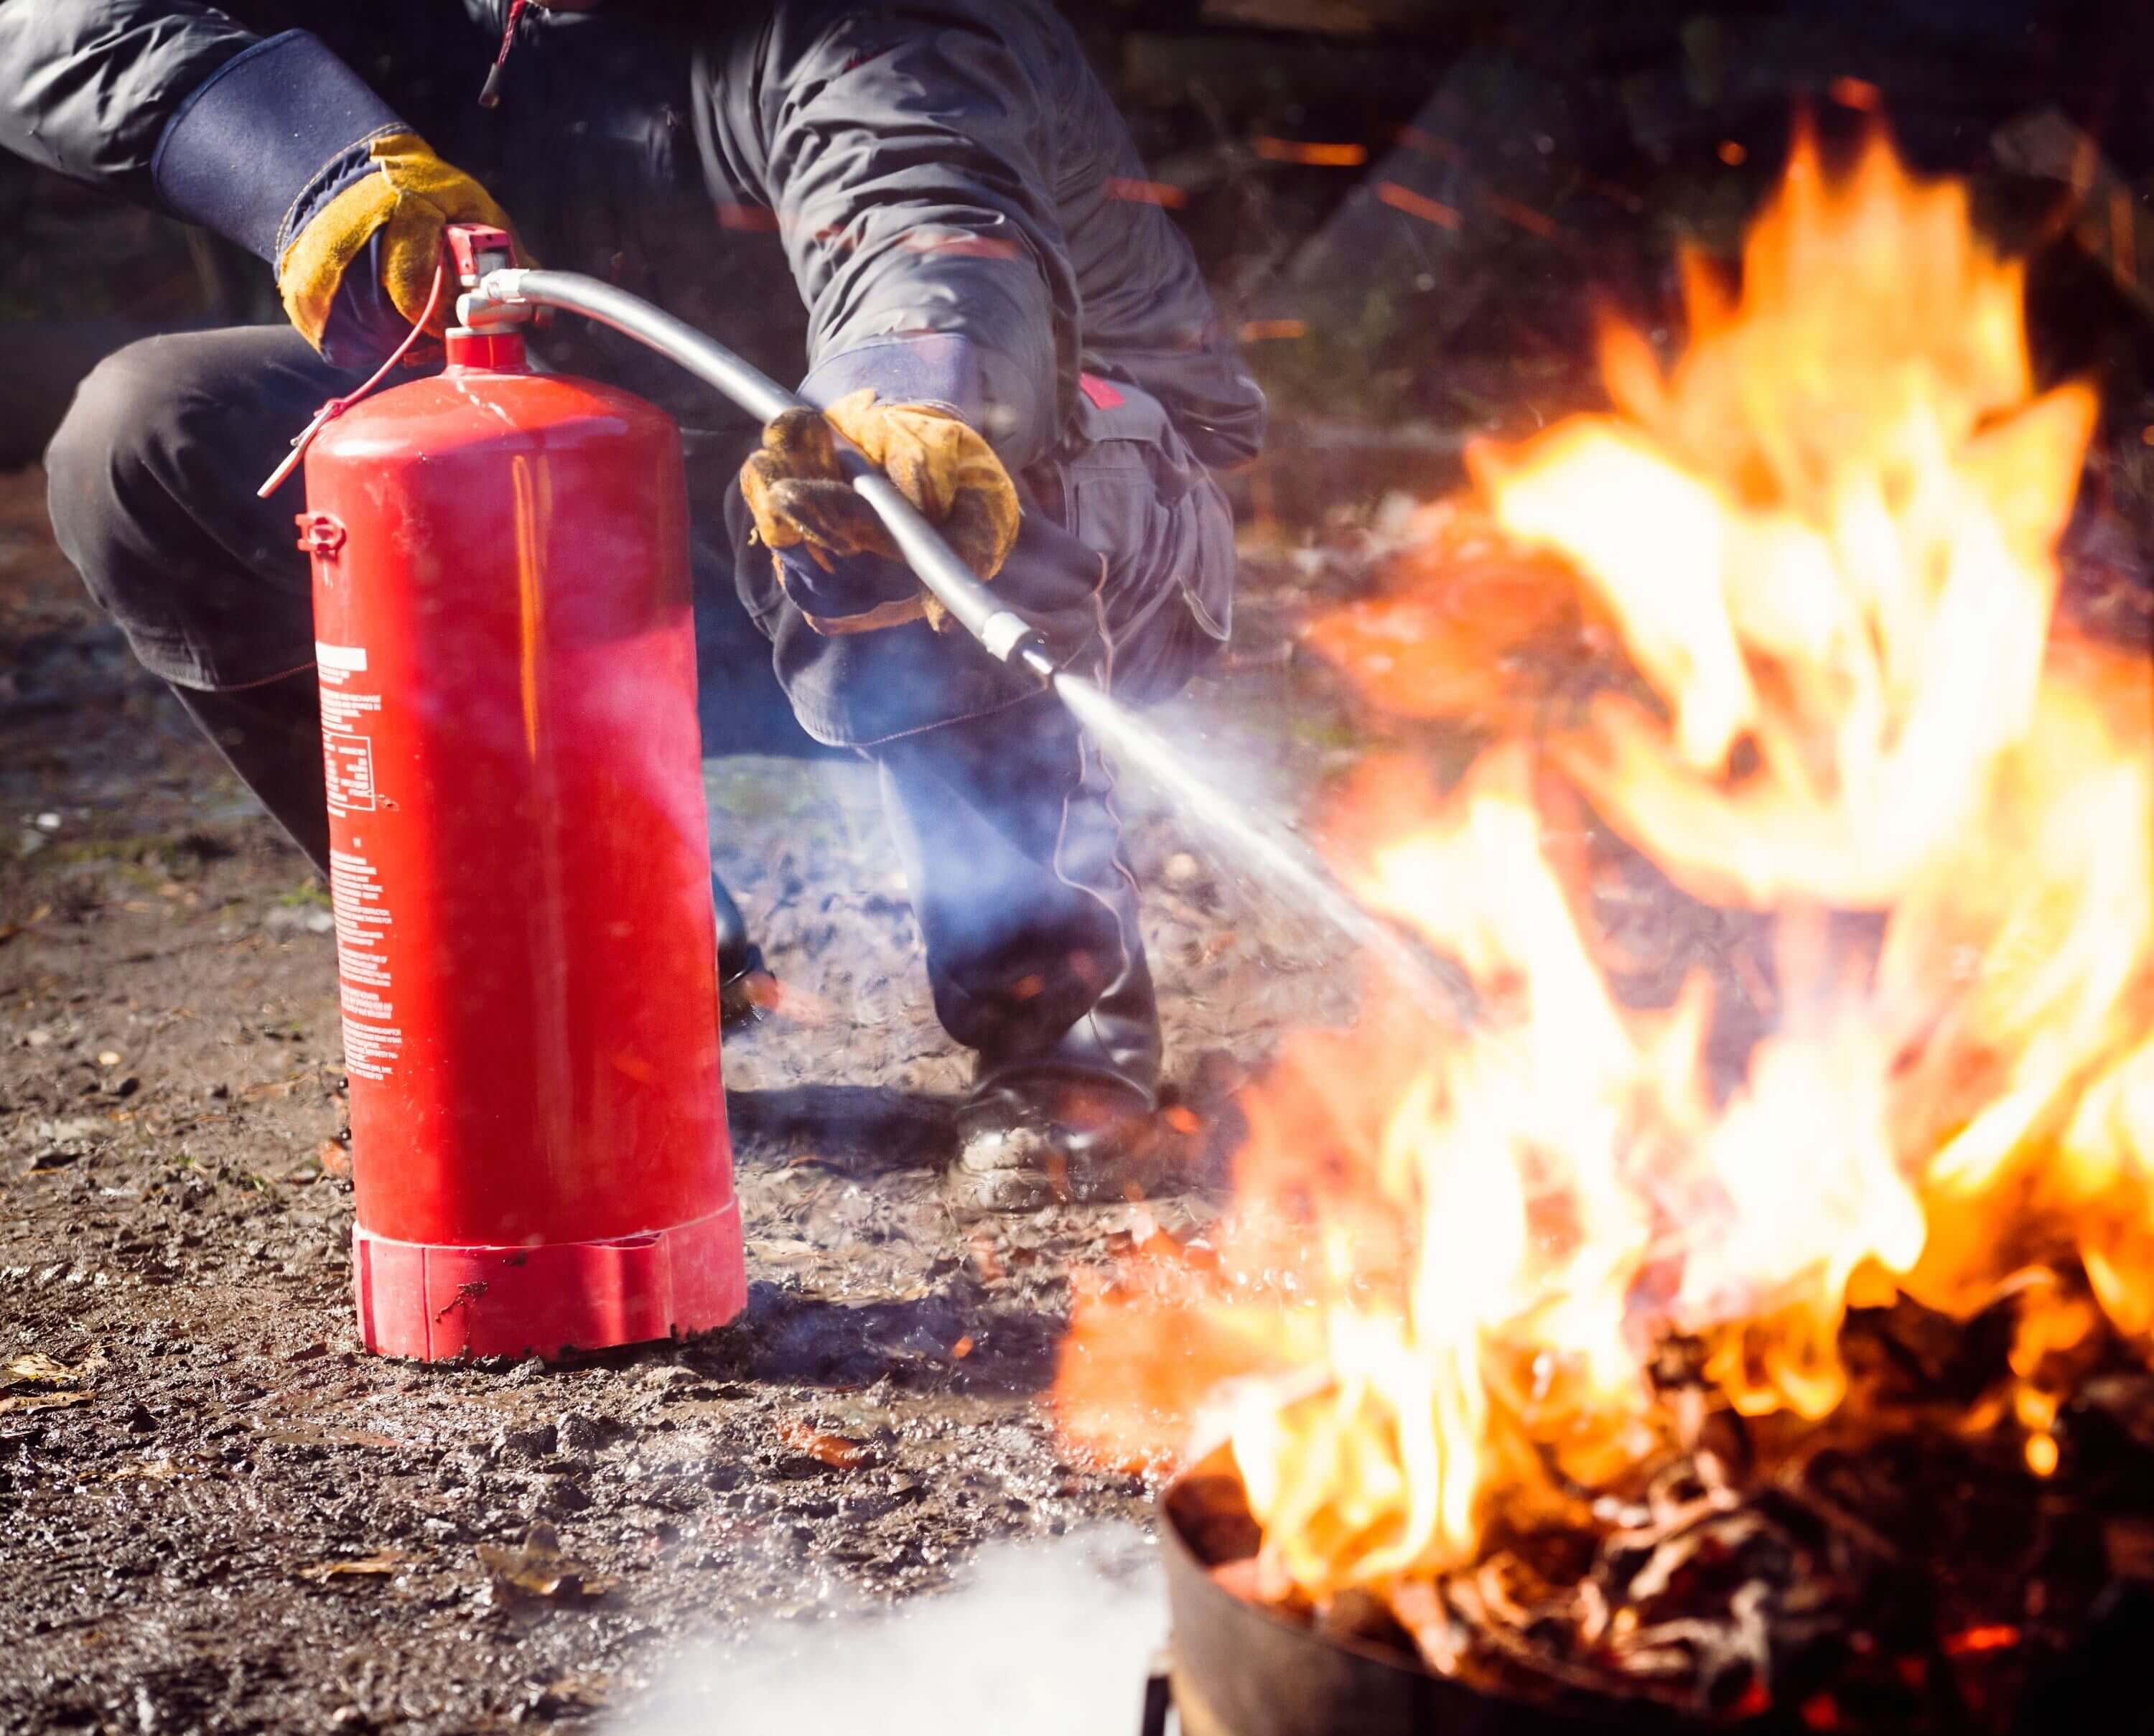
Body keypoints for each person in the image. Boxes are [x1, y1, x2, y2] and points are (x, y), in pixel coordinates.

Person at [0, 0, 1265, 1209]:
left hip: (1072, 501)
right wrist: (293, 155)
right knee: (148, 439)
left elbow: (923, 214)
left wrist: (907, 384)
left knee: (888, 466)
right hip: (633, 479)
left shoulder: (871, 29)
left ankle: (1054, 1030)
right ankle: (608, 986)